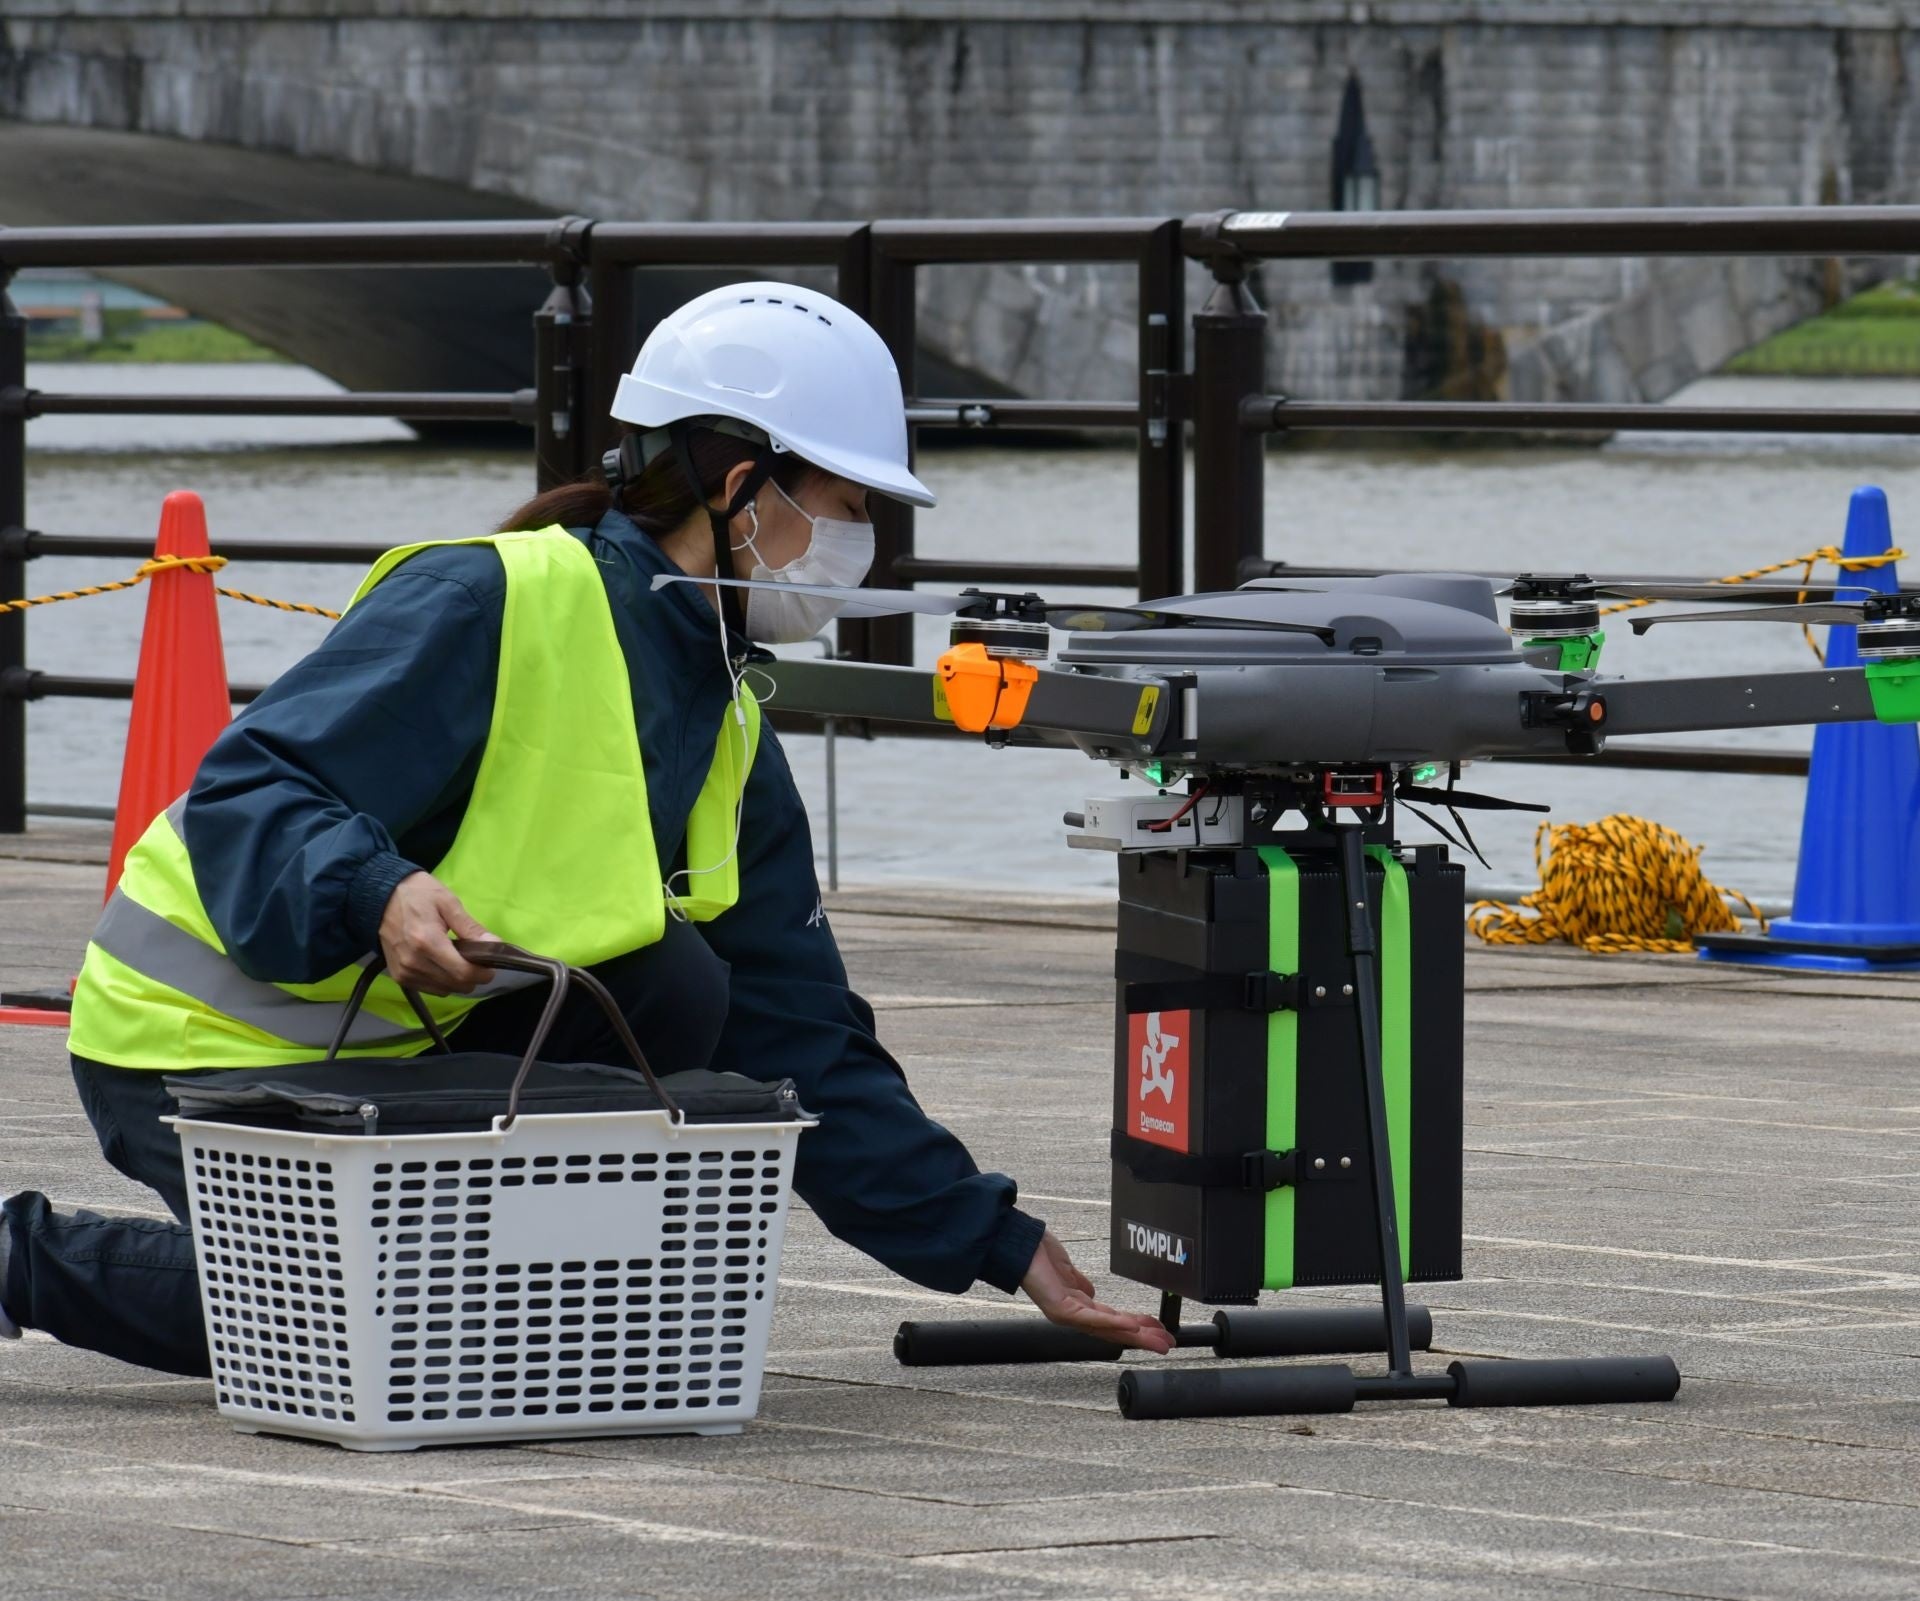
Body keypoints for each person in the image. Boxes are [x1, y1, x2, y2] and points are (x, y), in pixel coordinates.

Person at [0, 281, 1173, 1373]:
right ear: (742, 486)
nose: (864, 542)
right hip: (196, 1045)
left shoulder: (723, 716)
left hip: (394, 1051)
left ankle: (466, 1260)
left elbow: (795, 1027)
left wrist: (995, 1239)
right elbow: (252, 790)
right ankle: (20, 1256)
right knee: (370, 1324)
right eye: (850, 506)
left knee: (681, 987)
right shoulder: (491, 600)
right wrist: (375, 887)